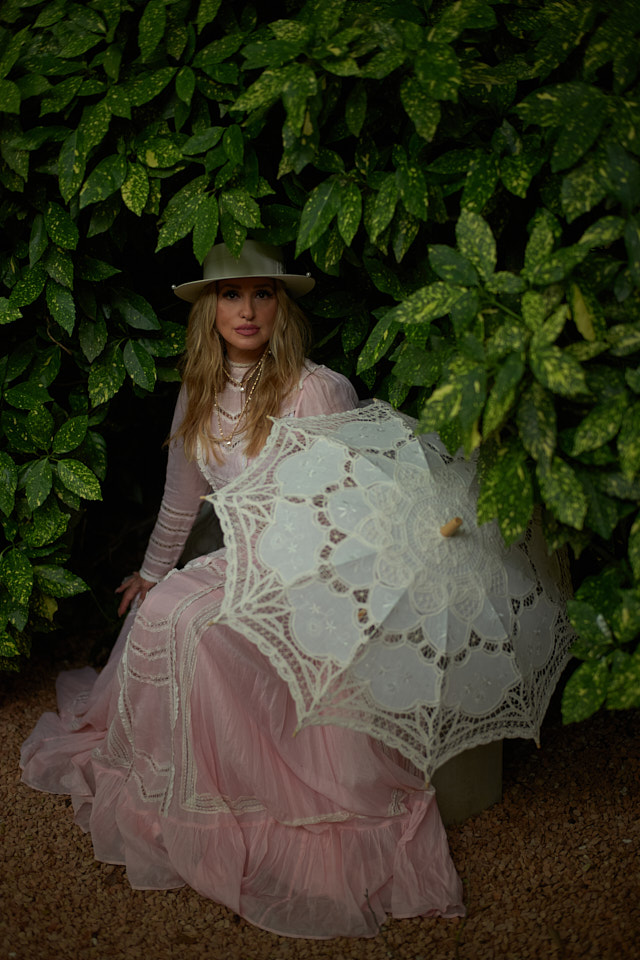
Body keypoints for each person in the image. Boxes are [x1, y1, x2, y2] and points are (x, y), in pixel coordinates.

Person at [20, 240, 464, 938]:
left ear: (281, 305)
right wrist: (152, 570)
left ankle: (244, 799)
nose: (247, 310)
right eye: (231, 295)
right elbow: (180, 499)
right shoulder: (199, 389)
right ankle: (184, 797)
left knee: (193, 624)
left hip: (308, 574)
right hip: (239, 561)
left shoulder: (316, 389)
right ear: (210, 311)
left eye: (263, 293)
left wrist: (297, 584)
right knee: (160, 610)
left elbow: (340, 515)